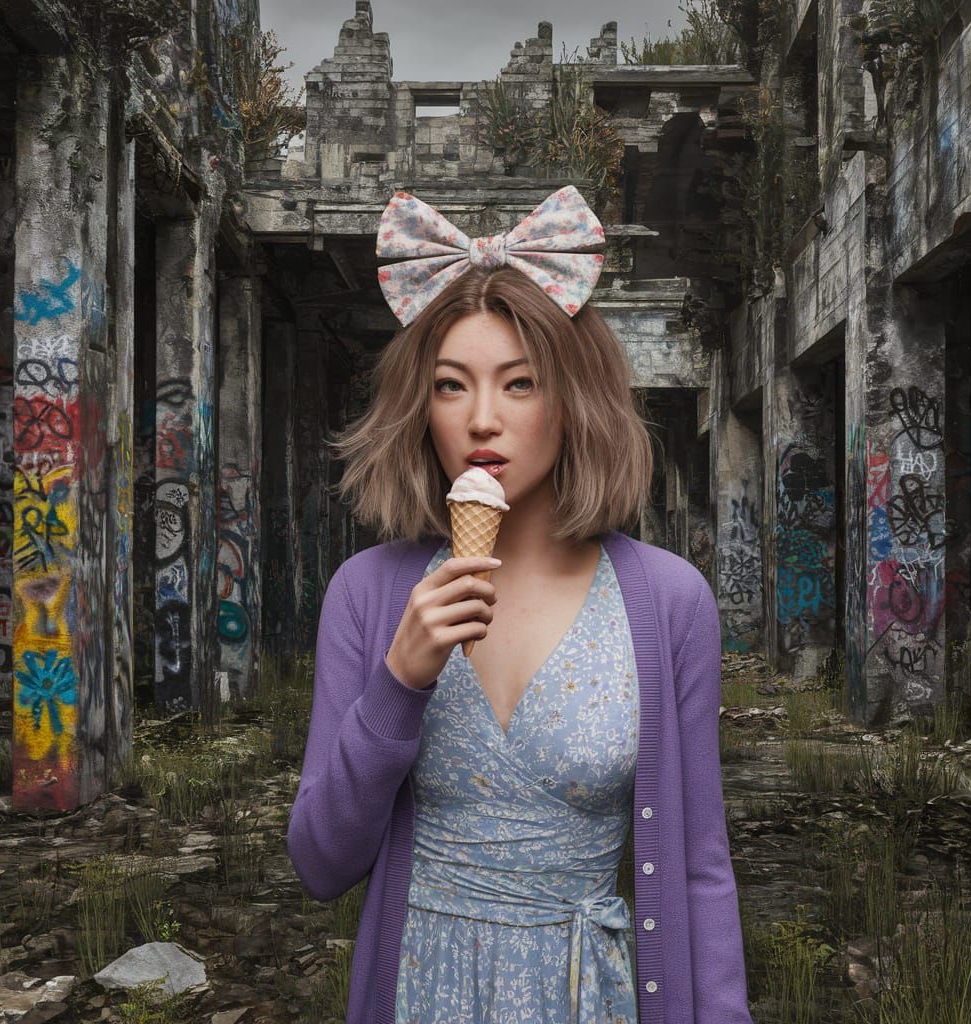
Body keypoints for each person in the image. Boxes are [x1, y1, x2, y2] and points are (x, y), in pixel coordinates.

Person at [287, 187, 754, 1024]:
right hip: (418, 995)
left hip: (587, 996)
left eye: (520, 384)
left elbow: (698, 866)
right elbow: (321, 864)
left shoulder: (669, 601)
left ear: (573, 399)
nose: (483, 420)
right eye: (450, 386)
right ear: (420, 407)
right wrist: (398, 682)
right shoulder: (367, 593)